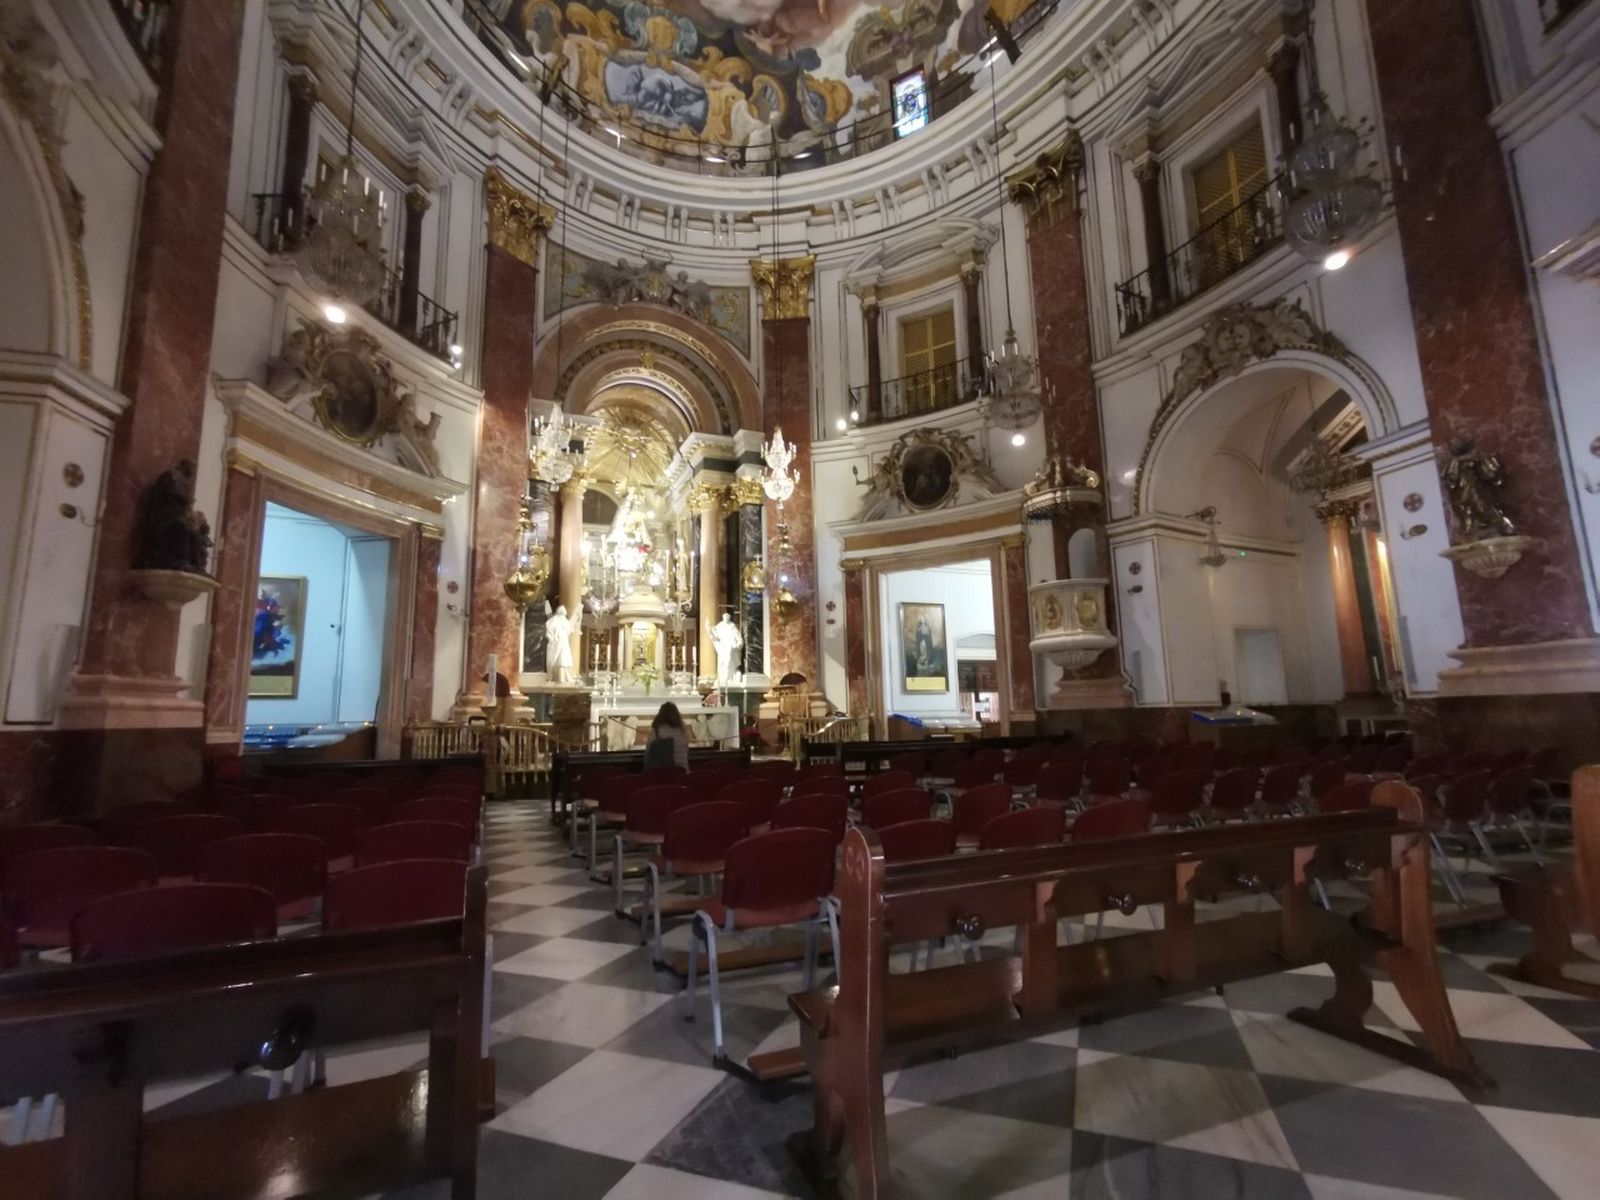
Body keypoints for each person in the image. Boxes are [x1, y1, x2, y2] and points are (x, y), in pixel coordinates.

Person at [645, 701, 689, 769]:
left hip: (661, 775)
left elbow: (648, 756)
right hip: (682, 775)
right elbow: (686, 753)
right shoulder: (682, 732)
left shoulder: (656, 731)